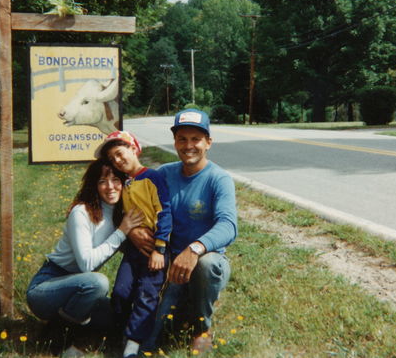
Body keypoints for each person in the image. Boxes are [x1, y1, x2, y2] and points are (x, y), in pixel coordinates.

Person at [131, 108, 238, 355]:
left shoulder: (219, 179)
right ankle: (178, 302)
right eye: (182, 139)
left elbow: (228, 225)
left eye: (196, 139)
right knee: (151, 332)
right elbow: (135, 199)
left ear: (208, 142)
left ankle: (202, 328)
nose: (188, 145)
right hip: (170, 262)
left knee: (207, 265)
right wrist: (131, 231)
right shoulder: (164, 174)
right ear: (175, 142)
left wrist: (195, 249)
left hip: (205, 260)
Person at [26, 158, 143, 356]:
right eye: (102, 181)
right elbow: (86, 264)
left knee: (120, 315)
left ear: (124, 183)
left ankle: (69, 321)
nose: (110, 187)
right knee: (98, 282)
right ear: (94, 185)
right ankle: (59, 338)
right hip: (46, 289)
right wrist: (122, 232)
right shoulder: (81, 212)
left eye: (116, 180)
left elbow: (133, 252)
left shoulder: (120, 215)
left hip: (81, 291)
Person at [97, 130, 172, 358]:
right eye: (113, 159)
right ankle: (118, 332)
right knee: (121, 291)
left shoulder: (152, 177)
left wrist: (160, 248)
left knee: (146, 294)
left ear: (133, 148)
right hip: (133, 250)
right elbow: (121, 213)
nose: (118, 161)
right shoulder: (125, 182)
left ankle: (134, 341)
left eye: (120, 154)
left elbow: (164, 211)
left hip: (155, 249)